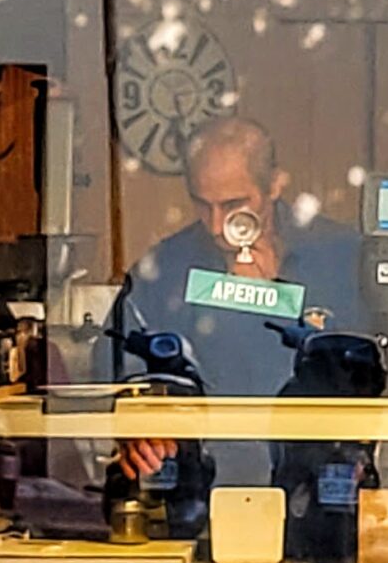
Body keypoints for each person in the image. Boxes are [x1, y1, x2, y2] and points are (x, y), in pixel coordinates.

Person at [105, 113, 365, 489]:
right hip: (196, 482)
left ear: (275, 185)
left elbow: (376, 372)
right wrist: (134, 428)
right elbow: (115, 372)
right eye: (201, 204)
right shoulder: (162, 270)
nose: (215, 225)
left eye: (233, 204)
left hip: (318, 482)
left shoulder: (339, 257)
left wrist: (277, 288)